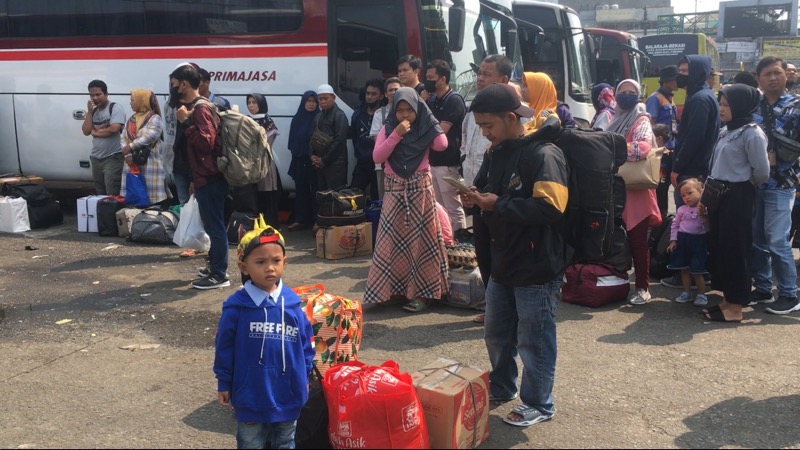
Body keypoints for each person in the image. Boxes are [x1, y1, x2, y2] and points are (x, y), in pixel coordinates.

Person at [461, 83, 569, 428]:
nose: (484, 133)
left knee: (533, 339)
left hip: (536, 266)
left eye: (488, 126)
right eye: (479, 127)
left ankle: (538, 402)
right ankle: (503, 385)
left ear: (511, 118)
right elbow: (485, 188)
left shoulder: (544, 154)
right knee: (496, 332)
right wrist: (472, 197)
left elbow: (553, 208)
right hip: (503, 260)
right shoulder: (496, 152)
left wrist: (499, 204)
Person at [214, 226, 314, 449]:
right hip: (250, 395)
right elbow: (224, 348)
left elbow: (306, 345)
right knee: (250, 442)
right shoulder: (236, 308)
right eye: (260, 262)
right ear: (244, 267)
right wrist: (224, 381)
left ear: (284, 262)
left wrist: (305, 377)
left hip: (288, 393)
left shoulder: (293, 305)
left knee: (286, 441)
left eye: (276, 261)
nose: (270, 268)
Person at [364, 87, 449, 313]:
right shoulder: (388, 128)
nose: (404, 115)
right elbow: (378, 156)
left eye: (409, 110)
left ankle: (423, 294)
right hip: (394, 191)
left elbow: (442, 144)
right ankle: (392, 292)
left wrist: (427, 119)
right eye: (399, 110)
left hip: (420, 191)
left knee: (422, 244)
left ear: (418, 110)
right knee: (389, 243)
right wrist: (396, 135)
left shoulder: (425, 127)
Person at [702, 84, 770, 323]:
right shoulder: (727, 130)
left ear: (741, 105)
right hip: (718, 193)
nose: (721, 108)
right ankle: (728, 299)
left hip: (738, 195)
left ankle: (736, 307)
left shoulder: (752, 133)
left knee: (737, 249)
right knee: (721, 247)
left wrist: (741, 185)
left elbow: (761, 171)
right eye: (720, 103)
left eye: (727, 104)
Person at [460, 54, 513, 324]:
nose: (480, 78)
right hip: (478, 191)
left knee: (501, 255)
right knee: (481, 250)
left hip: (501, 199)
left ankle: (504, 310)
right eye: (479, 73)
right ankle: (492, 307)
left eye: (487, 74)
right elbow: (466, 147)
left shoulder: (514, 112)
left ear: (504, 80)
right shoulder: (473, 109)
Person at [662, 55, 719, 288]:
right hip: (696, 168)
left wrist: (677, 168)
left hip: (691, 171)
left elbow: (693, 139)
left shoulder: (699, 99)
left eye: (686, 71)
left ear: (697, 72)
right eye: (680, 70)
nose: (680, 75)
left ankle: (691, 273)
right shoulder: (701, 96)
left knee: (689, 225)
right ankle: (694, 272)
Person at [172, 64, 230, 290]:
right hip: (205, 177)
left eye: (175, 83)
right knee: (212, 225)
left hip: (212, 178)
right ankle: (214, 267)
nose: (173, 87)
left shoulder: (200, 109)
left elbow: (206, 143)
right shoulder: (196, 107)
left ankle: (219, 275)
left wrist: (186, 122)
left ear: (184, 84)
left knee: (215, 227)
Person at [750, 56, 800, 315]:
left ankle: (790, 295)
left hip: (783, 183)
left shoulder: (796, 105)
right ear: (758, 78)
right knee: (756, 238)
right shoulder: (751, 106)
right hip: (755, 182)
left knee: (777, 239)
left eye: (777, 73)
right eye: (767, 73)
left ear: (786, 76)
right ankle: (762, 288)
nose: (773, 78)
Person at [608, 79, 662, 305]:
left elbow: (642, 148)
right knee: (611, 238)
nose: (627, 95)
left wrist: (610, 148)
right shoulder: (613, 118)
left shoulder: (641, 119)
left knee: (638, 241)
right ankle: (613, 282)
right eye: (623, 91)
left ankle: (642, 287)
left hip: (635, 190)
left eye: (632, 92)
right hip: (614, 187)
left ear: (638, 96)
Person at [426, 59, 467, 234]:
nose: (427, 81)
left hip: (449, 162)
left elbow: (441, 131)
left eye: (430, 77)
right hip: (433, 161)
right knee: (439, 207)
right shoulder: (433, 100)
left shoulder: (454, 100)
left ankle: (461, 239)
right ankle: (446, 240)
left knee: (452, 206)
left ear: (442, 79)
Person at [120, 89, 169, 206]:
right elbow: (123, 138)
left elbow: (151, 136)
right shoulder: (131, 119)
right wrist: (127, 155)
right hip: (132, 163)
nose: (130, 103)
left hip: (149, 164)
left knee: (151, 198)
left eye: (132, 100)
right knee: (135, 197)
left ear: (141, 101)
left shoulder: (154, 118)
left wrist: (131, 146)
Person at [666, 178, 709, 307]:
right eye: (683, 195)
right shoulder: (681, 210)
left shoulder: (704, 210)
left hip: (697, 242)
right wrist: (673, 240)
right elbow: (675, 225)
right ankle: (686, 292)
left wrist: (703, 217)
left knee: (697, 270)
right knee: (683, 270)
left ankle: (701, 294)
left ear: (700, 192)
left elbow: (707, 228)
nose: (686, 197)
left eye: (690, 193)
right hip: (682, 241)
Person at [81, 79, 126, 195]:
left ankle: (113, 213)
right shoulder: (94, 111)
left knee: (112, 192)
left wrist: (95, 133)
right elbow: (86, 131)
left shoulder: (115, 108)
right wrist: (90, 112)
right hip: (96, 158)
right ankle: (104, 213)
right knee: (100, 193)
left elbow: (114, 129)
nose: (95, 98)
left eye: (98, 94)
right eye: (92, 95)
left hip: (112, 158)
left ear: (106, 94)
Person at [311, 84, 349, 209]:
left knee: (335, 197)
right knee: (322, 196)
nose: (322, 101)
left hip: (336, 165)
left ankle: (335, 226)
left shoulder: (340, 115)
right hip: (320, 165)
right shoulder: (318, 115)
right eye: (320, 99)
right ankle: (324, 222)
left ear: (333, 98)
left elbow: (340, 141)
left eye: (325, 98)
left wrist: (324, 160)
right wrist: (312, 156)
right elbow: (312, 137)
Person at [286, 91, 319, 232]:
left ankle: (317, 221)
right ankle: (300, 220)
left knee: (315, 191)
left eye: (314, 101)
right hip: (299, 160)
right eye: (308, 101)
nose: (311, 104)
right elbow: (292, 140)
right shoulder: (297, 118)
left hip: (313, 161)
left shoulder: (319, 118)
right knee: (300, 191)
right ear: (303, 102)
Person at [247, 93, 281, 228]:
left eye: (254, 102)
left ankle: (269, 225)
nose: (251, 105)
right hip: (249, 165)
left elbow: (266, 145)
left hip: (264, 163)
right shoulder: (246, 120)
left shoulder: (268, 122)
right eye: (249, 102)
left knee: (267, 195)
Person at [350, 79, 383, 201]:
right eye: (368, 93)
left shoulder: (383, 114)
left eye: (374, 94)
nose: (370, 97)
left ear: (381, 96)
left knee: (377, 197)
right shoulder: (358, 114)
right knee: (353, 196)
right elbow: (354, 136)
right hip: (362, 162)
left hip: (378, 164)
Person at [652, 123, 673, 218]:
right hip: (654, 197)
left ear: (659, 139)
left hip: (660, 199)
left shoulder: (669, 156)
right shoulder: (649, 154)